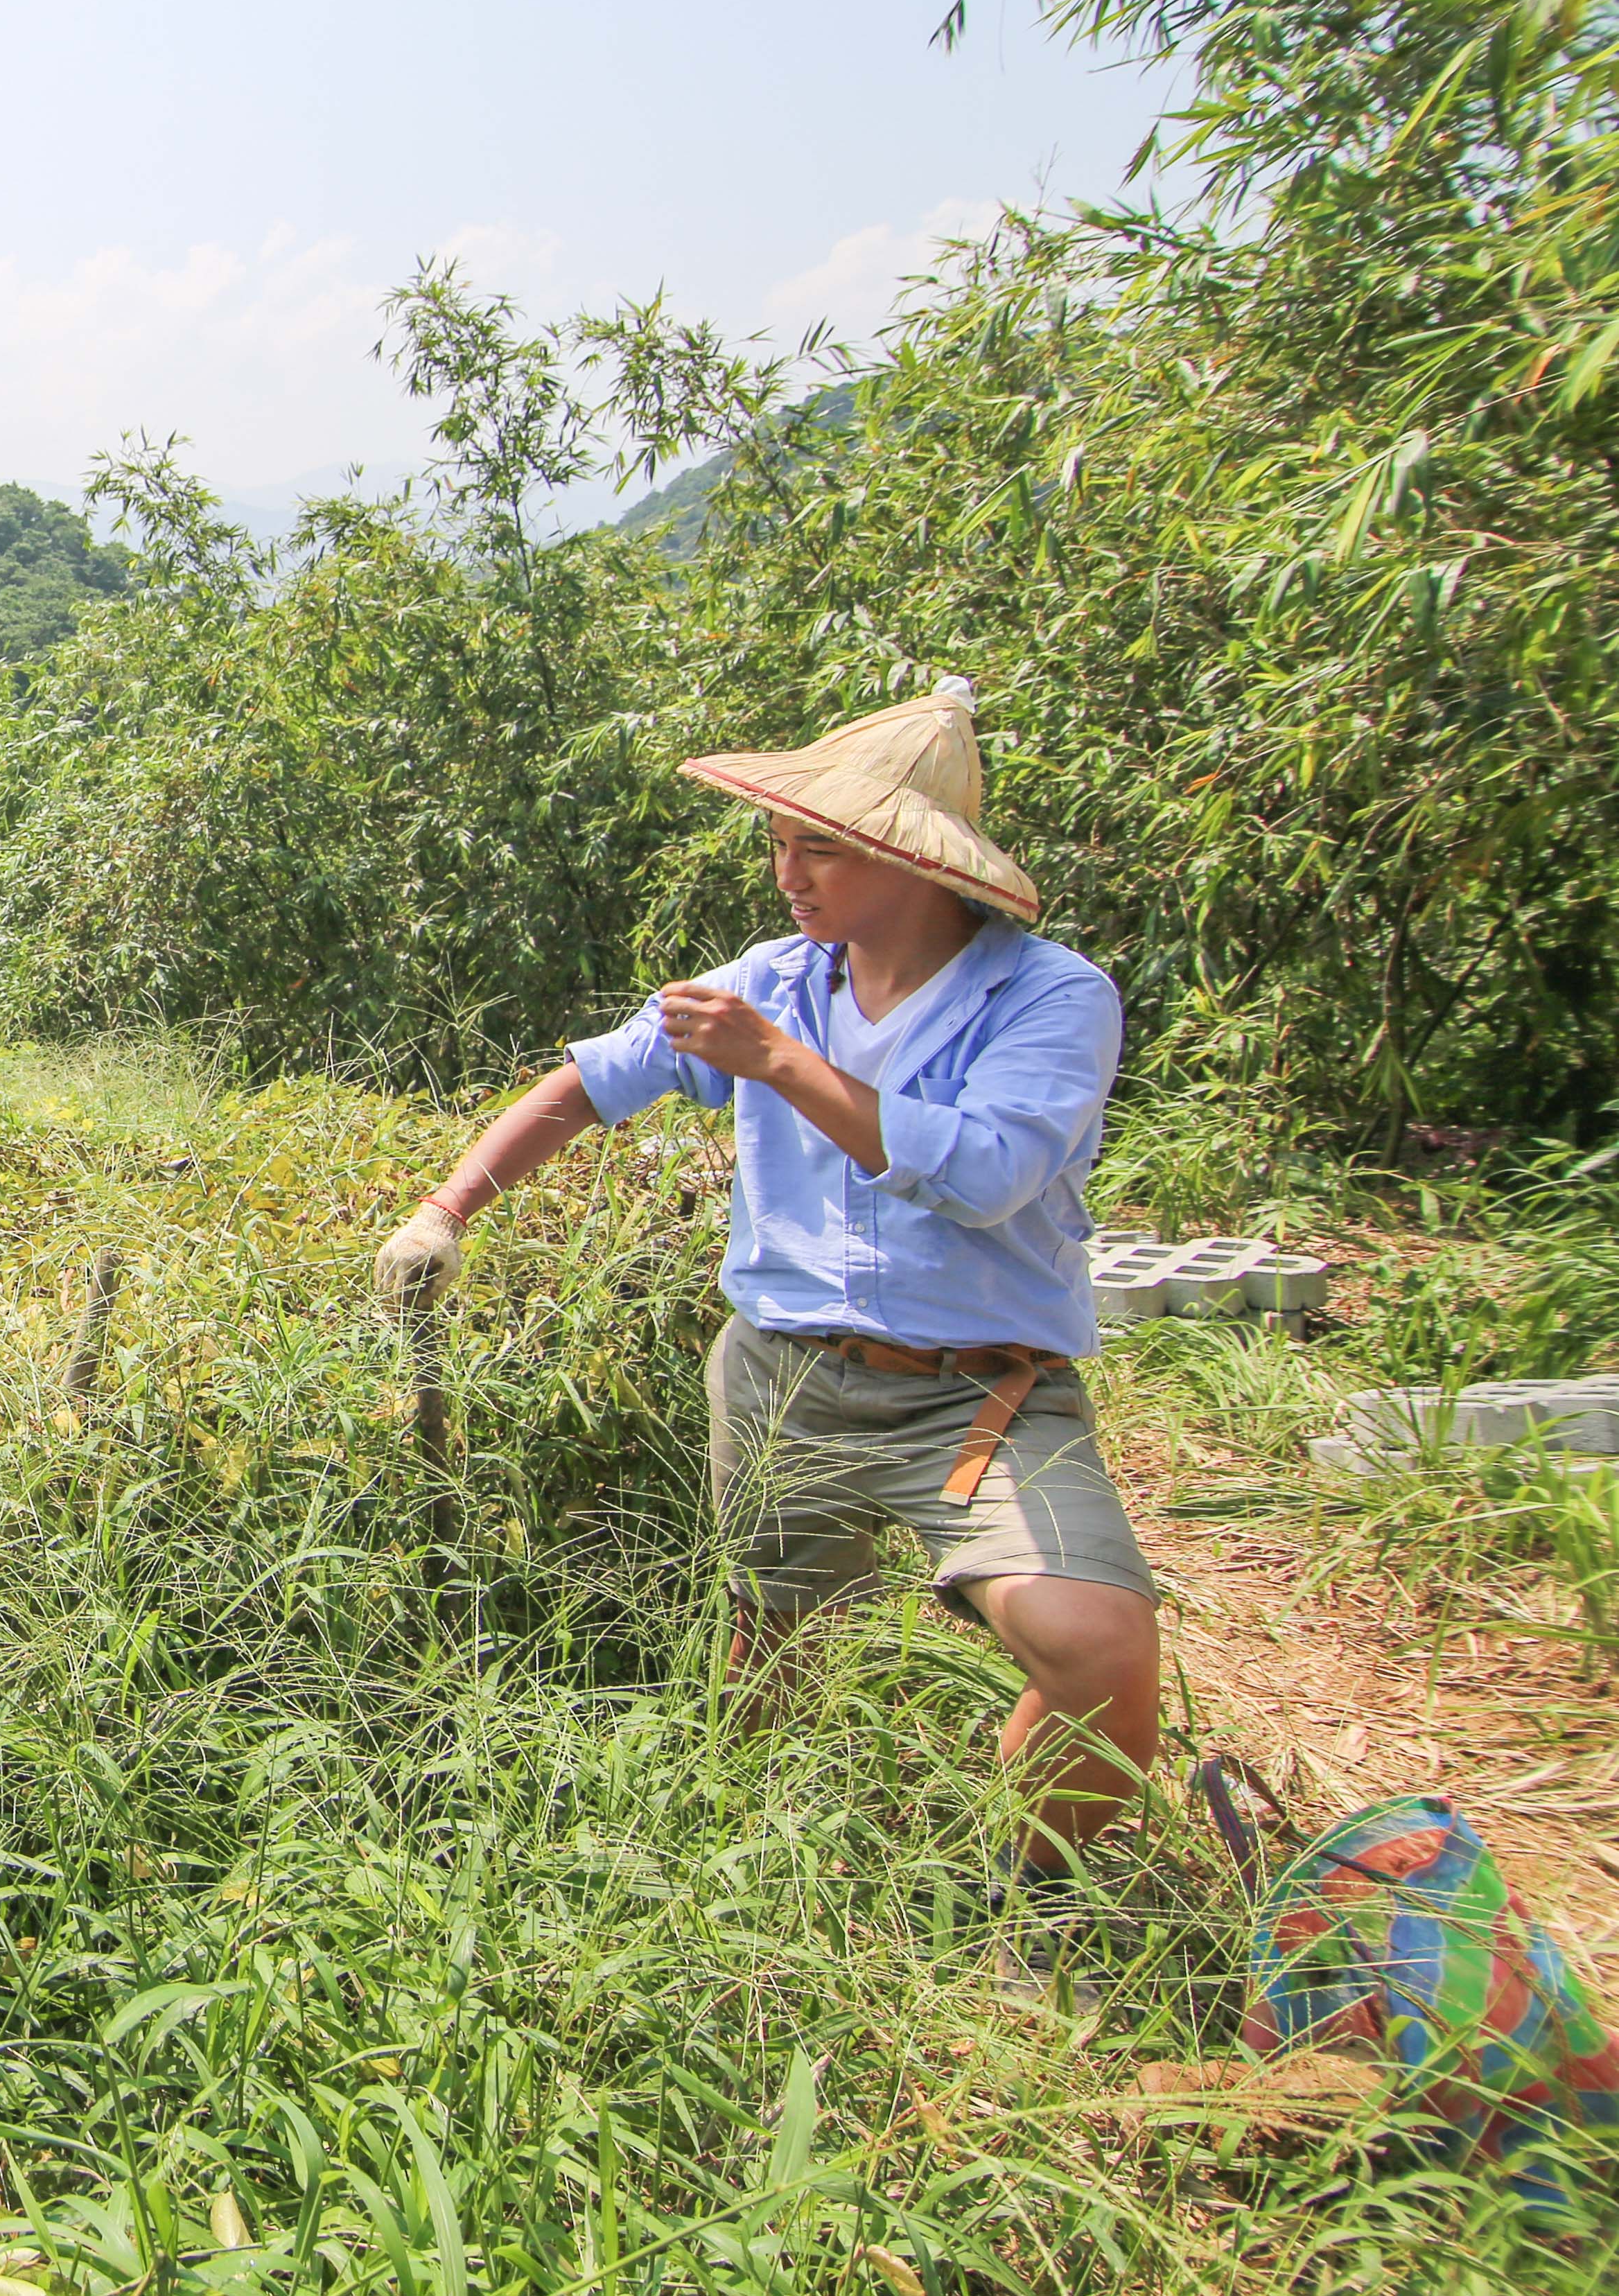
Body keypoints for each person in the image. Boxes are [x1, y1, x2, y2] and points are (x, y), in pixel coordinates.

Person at [370, 678, 1155, 1959]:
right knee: (768, 1631)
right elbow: (590, 1083)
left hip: (978, 1387)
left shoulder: (1047, 998)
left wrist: (778, 1060)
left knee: (1092, 1645)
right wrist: (447, 1209)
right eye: (780, 842)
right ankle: (743, 1882)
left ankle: (1024, 1907)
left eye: (821, 849)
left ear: (910, 860)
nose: (787, 872)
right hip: (782, 1372)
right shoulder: (773, 977)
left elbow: (987, 1174)